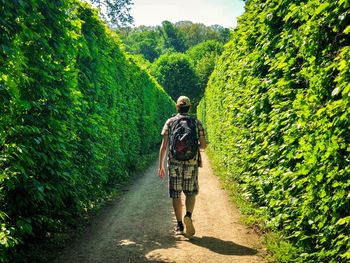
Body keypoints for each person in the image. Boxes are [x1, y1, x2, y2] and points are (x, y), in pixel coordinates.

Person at [158, 95, 206, 236]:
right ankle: (188, 216)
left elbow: (164, 145)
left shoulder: (170, 122)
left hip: (174, 163)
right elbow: (203, 145)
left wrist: (160, 165)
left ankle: (179, 225)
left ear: (177, 107)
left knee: (176, 194)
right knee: (191, 192)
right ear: (190, 107)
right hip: (191, 163)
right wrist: (194, 145)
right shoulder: (196, 123)